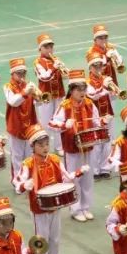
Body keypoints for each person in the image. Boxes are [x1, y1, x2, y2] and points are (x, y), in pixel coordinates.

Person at [12, 126, 88, 254]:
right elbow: (16, 181)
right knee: (42, 237)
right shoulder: (28, 163)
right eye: (40, 145)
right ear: (32, 146)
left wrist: (79, 172)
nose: (45, 148)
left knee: (55, 237)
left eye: (46, 144)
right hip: (39, 207)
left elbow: (66, 177)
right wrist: (24, 185)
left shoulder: (54, 159)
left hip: (55, 205)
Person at [49, 69, 101, 222]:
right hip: (72, 149)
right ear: (71, 90)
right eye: (79, 89)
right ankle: (75, 208)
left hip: (88, 146)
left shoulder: (90, 104)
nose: (82, 92)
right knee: (74, 178)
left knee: (88, 179)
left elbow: (97, 121)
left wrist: (102, 122)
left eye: (84, 89)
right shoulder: (64, 106)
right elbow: (52, 124)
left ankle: (86, 207)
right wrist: (65, 124)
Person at [3, 58, 39, 177]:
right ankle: (18, 181)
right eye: (18, 73)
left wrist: (38, 97)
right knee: (17, 156)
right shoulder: (7, 86)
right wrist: (25, 92)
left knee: (29, 154)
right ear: (12, 74)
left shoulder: (28, 86)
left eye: (23, 73)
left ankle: (29, 177)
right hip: (16, 125)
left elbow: (37, 104)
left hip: (30, 124)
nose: (21, 75)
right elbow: (13, 101)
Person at [86, 54, 117, 178]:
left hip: (107, 113)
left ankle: (105, 168)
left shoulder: (105, 79)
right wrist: (104, 86)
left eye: (100, 65)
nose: (99, 68)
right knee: (96, 143)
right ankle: (95, 170)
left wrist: (113, 89)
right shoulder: (87, 82)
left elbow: (112, 95)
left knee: (107, 142)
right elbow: (93, 95)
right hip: (95, 116)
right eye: (95, 65)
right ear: (90, 68)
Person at [33, 33, 65, 151]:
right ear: (40, 49)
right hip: (46, 96)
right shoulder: (37, 62)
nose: (49, 49)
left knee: (59, 120)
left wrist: (63, 70)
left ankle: (59, 146)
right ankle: (44, 147)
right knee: (45, 122)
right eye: (46, 47)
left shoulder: (56, 60)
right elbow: (44, 77)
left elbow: (65, 76)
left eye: (51, 47)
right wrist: (54, 68)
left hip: (59, 94)